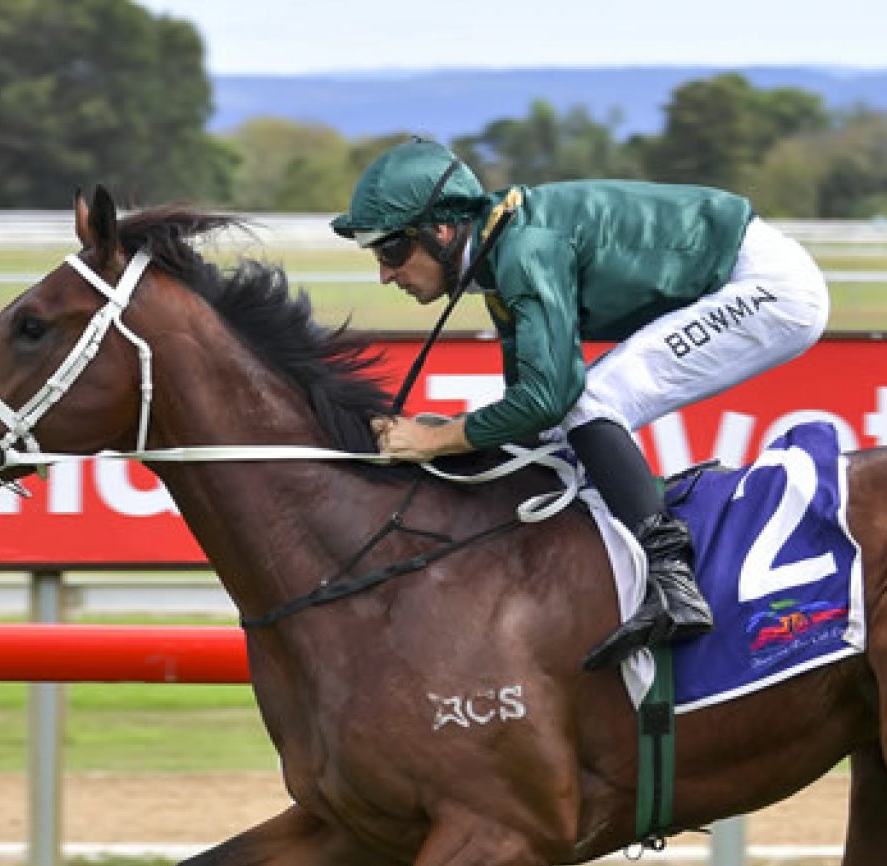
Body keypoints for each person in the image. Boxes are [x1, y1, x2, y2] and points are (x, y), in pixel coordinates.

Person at [331, 139, 831, 671]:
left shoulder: (524, 250)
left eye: (391, 251)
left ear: (443, 231)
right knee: (564, 419)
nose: (385, 274)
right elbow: (528, 407)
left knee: (588, 401)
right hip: (747, 277)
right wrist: (450, 439)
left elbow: (549, 398)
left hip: (767, 287)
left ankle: (673, 580)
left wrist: (436, 438)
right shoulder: (500, 254)